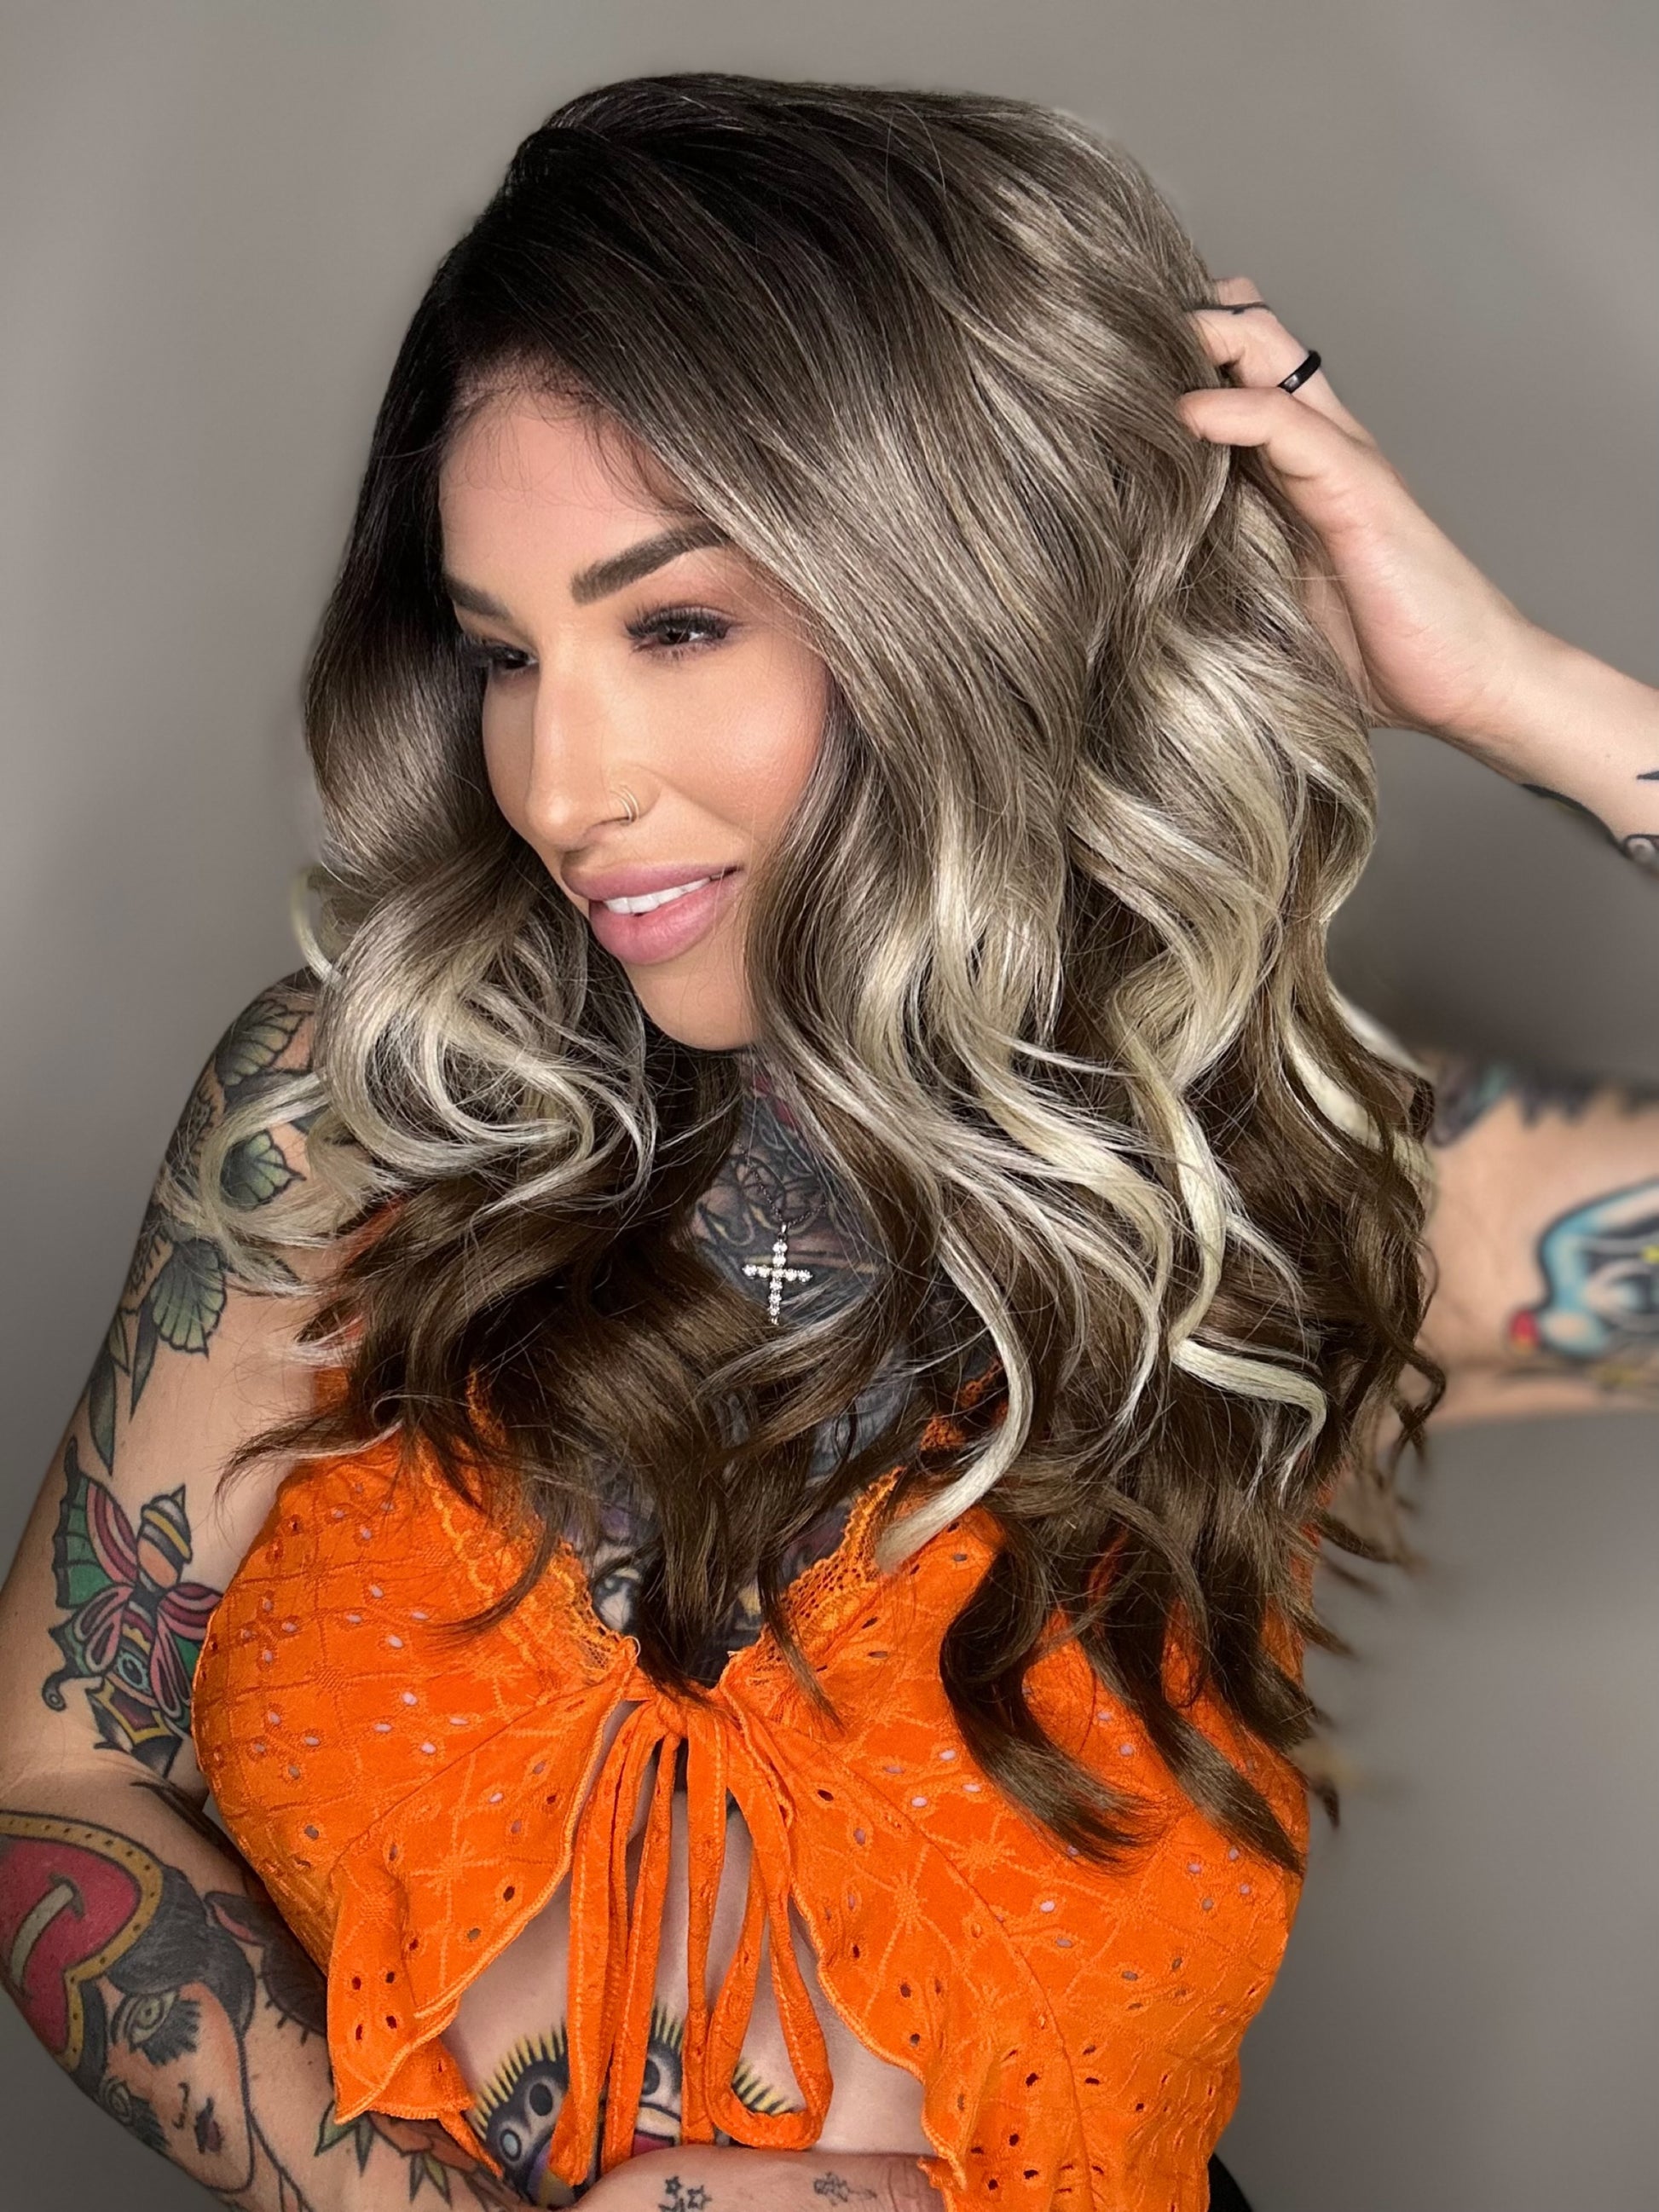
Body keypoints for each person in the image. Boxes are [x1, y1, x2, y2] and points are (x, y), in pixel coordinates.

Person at [1, 69, 1655, 2212]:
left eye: (676, 625)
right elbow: (59, 1769)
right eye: (502, 651)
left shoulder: (1276, 1209)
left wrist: (1520, 694)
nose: (560, 783)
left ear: (964, 598)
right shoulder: (358, 1120)